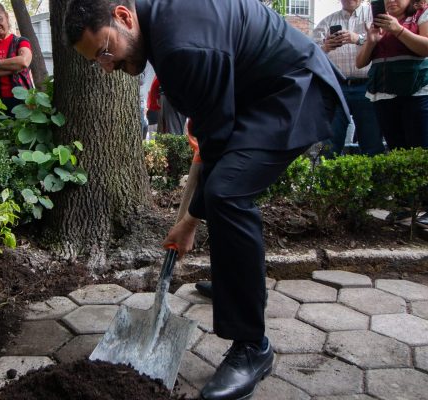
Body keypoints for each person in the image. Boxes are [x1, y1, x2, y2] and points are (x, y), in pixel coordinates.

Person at [64, 0, 346, 398]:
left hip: (295, 91)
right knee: (222, 188)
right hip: (257, 94)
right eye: (97, 61)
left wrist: (190, 220)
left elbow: (218, 140)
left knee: (227, 194)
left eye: (105, 52)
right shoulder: (163, 29)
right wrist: (193, 213)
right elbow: (211, 133)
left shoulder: (180, 45)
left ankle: (252, 347)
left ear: (124, 17)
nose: (106, 67)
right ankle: (237, 284)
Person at [356, 0, 428, 228]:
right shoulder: (379, 22)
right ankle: (405, 205)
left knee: (421, 148)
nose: (391, 1)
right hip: (385, 91)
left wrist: (398, 30)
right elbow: (361, 62)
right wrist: (372, 40)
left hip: (421, 90)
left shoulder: (424, 14)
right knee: (397, 149)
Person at [313, 0, 385, 157]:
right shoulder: (327, 22)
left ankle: (374, 181)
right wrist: (325, 47)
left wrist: (358, 38)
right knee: (330, 145)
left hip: (367, 86)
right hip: (336, 87)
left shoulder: (375, 16)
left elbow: (385, 41)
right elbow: (311, 53)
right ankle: (328, 180)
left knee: (371, 142)